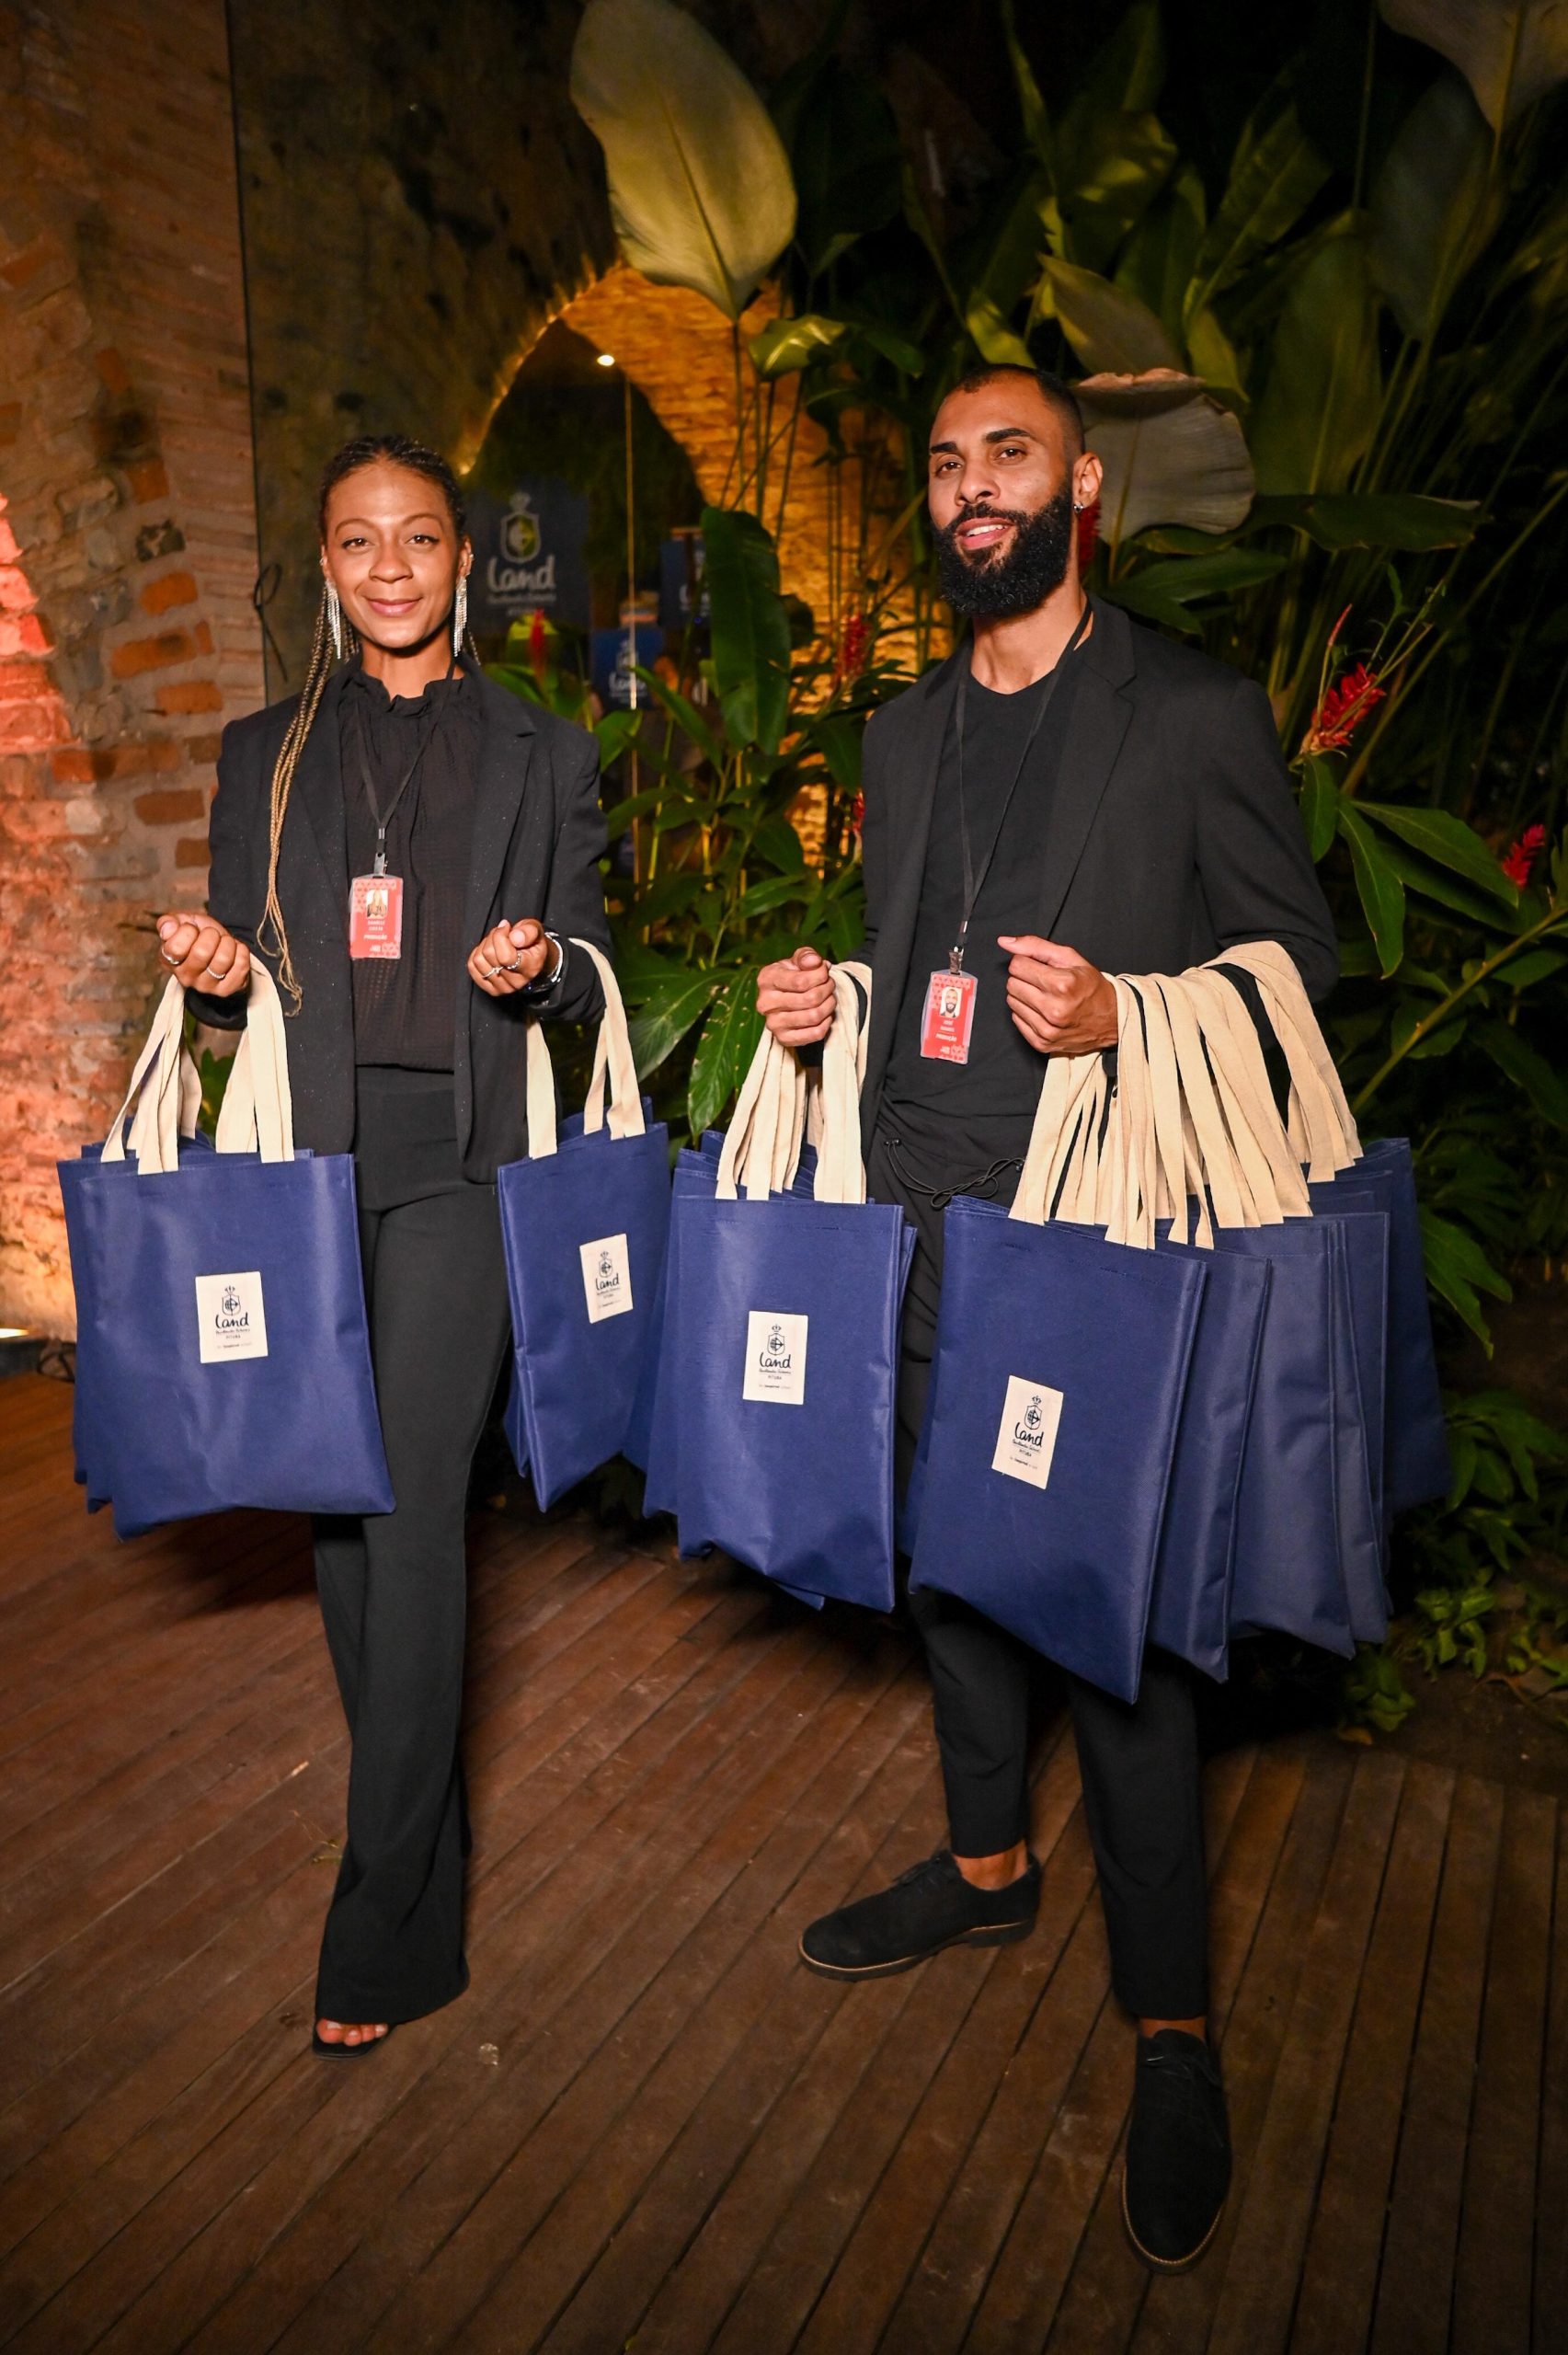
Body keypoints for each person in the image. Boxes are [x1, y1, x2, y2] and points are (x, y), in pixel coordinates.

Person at [755, 364, 1337, 2270]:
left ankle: (1169, 2022)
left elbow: (1297, 973)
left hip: (1092, 1242)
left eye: (1007, 453)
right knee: (948, 1569)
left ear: (1079, 486)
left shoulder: (1188, 713)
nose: (970, 486)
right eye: (944, 462)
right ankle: (987, 1860)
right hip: (911, 1218)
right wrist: (832, 1004)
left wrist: (1127, 1014)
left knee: (1119, 1633)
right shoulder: (903, 730)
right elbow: (917, 953)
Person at [153, 434, 611, 2056]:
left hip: (464, 1168)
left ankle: (386, 1922)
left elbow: (591, 964)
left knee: (409, 1504)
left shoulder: (544, 750)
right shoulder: (264, 753)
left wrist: (542, 965)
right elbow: (242, 984)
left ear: (463, 560)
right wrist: (214, 972)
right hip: (311, 1165)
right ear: (328, 568)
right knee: (339, 1510)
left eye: (420, 537)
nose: (392, 566)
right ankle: (426, 1825)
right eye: (360, 542)